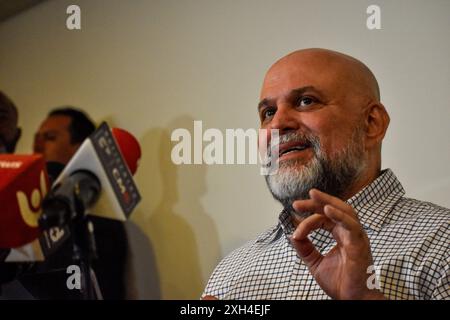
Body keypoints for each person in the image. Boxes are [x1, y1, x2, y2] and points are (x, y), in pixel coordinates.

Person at [203, 48, 449, 300]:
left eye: (306, 101)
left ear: (371, 123)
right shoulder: (229, 273)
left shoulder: (443, 245)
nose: (277, 124)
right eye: (268, 113)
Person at [25, 107, 129, 300]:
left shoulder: (99, 217)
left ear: (81, 147)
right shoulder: (27, 211)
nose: (37, 145)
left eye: (49, 137)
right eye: (36, 137)